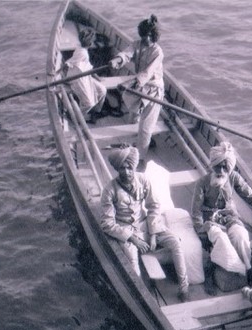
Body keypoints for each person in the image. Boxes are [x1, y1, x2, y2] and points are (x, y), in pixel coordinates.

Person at [100, 147, 190, 301]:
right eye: (122, 168)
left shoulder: (143, 180)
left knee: (175, 243)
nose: (127, 172)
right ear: (117, 169)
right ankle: (143, 297)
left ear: (134, 167)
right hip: (127, 230)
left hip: (146, 224)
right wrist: (133, 239)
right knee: (133, 260)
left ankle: (184, 288)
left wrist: (153, 234)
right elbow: (107, 223)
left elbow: (154, 206)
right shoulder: (109, 190)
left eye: (130, 168)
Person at [191, 141, 252, 283]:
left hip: (230, 217)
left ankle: (247, 271)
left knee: (241, 236)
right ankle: (211, 273)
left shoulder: (234, 178)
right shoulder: (202, 183)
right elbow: (196, 211)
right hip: (209, 220)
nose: (221, 171)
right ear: (213, 165)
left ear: (229, 168)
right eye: (218, 166)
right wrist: (200, 230)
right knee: (221, 240)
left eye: (225, 168)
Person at [109, 15, 164, 165]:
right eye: (142, 36)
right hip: (139, 86)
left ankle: (139, 159)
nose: (143, 39)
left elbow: (147, 73)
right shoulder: (137, 44)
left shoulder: (157, 52)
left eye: (146, 37)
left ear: (152, 36)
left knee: (146, 127)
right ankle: (137, 139)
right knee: (132, 114)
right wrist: (117, 60)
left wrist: (131, 83)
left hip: (153, 90)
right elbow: (127, 54)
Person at [65, 29, 106, 123]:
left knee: (102, 90)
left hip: (85, 77)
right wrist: (64, 78)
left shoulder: (82, 50)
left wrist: (97, 78)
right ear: (90, 42)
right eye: (92, 41)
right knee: (88, 103)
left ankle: (95, 112)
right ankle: (75, 117)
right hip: (77, 80)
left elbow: (88, 68)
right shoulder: (82, 53)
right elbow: (68, 64)